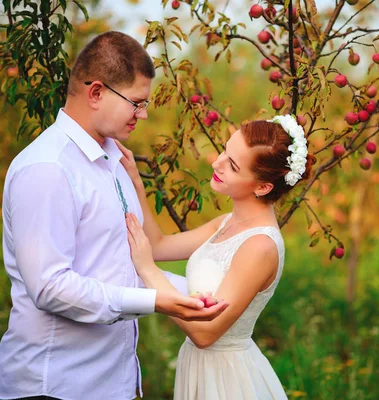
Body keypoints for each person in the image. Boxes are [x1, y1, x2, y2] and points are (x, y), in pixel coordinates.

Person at [0, 31, 228, 400]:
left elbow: (120, 264)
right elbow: (50, 287)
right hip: (55, 385)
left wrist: (205, 297)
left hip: (113, 383)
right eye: (137, 102)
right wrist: (156, 301)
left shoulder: (115, 161)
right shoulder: (47, 168)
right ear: (96, 93)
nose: (144, 114)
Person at [118, 114, 316, 399]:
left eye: (233, 166)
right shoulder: (225, 222)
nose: (216, 163)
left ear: (262, 187)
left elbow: (205, 334)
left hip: (228, 379)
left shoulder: (260, 246)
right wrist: (136, 182)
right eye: (225, 150)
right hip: (199, 368)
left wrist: (148, 272)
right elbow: (159, 246)